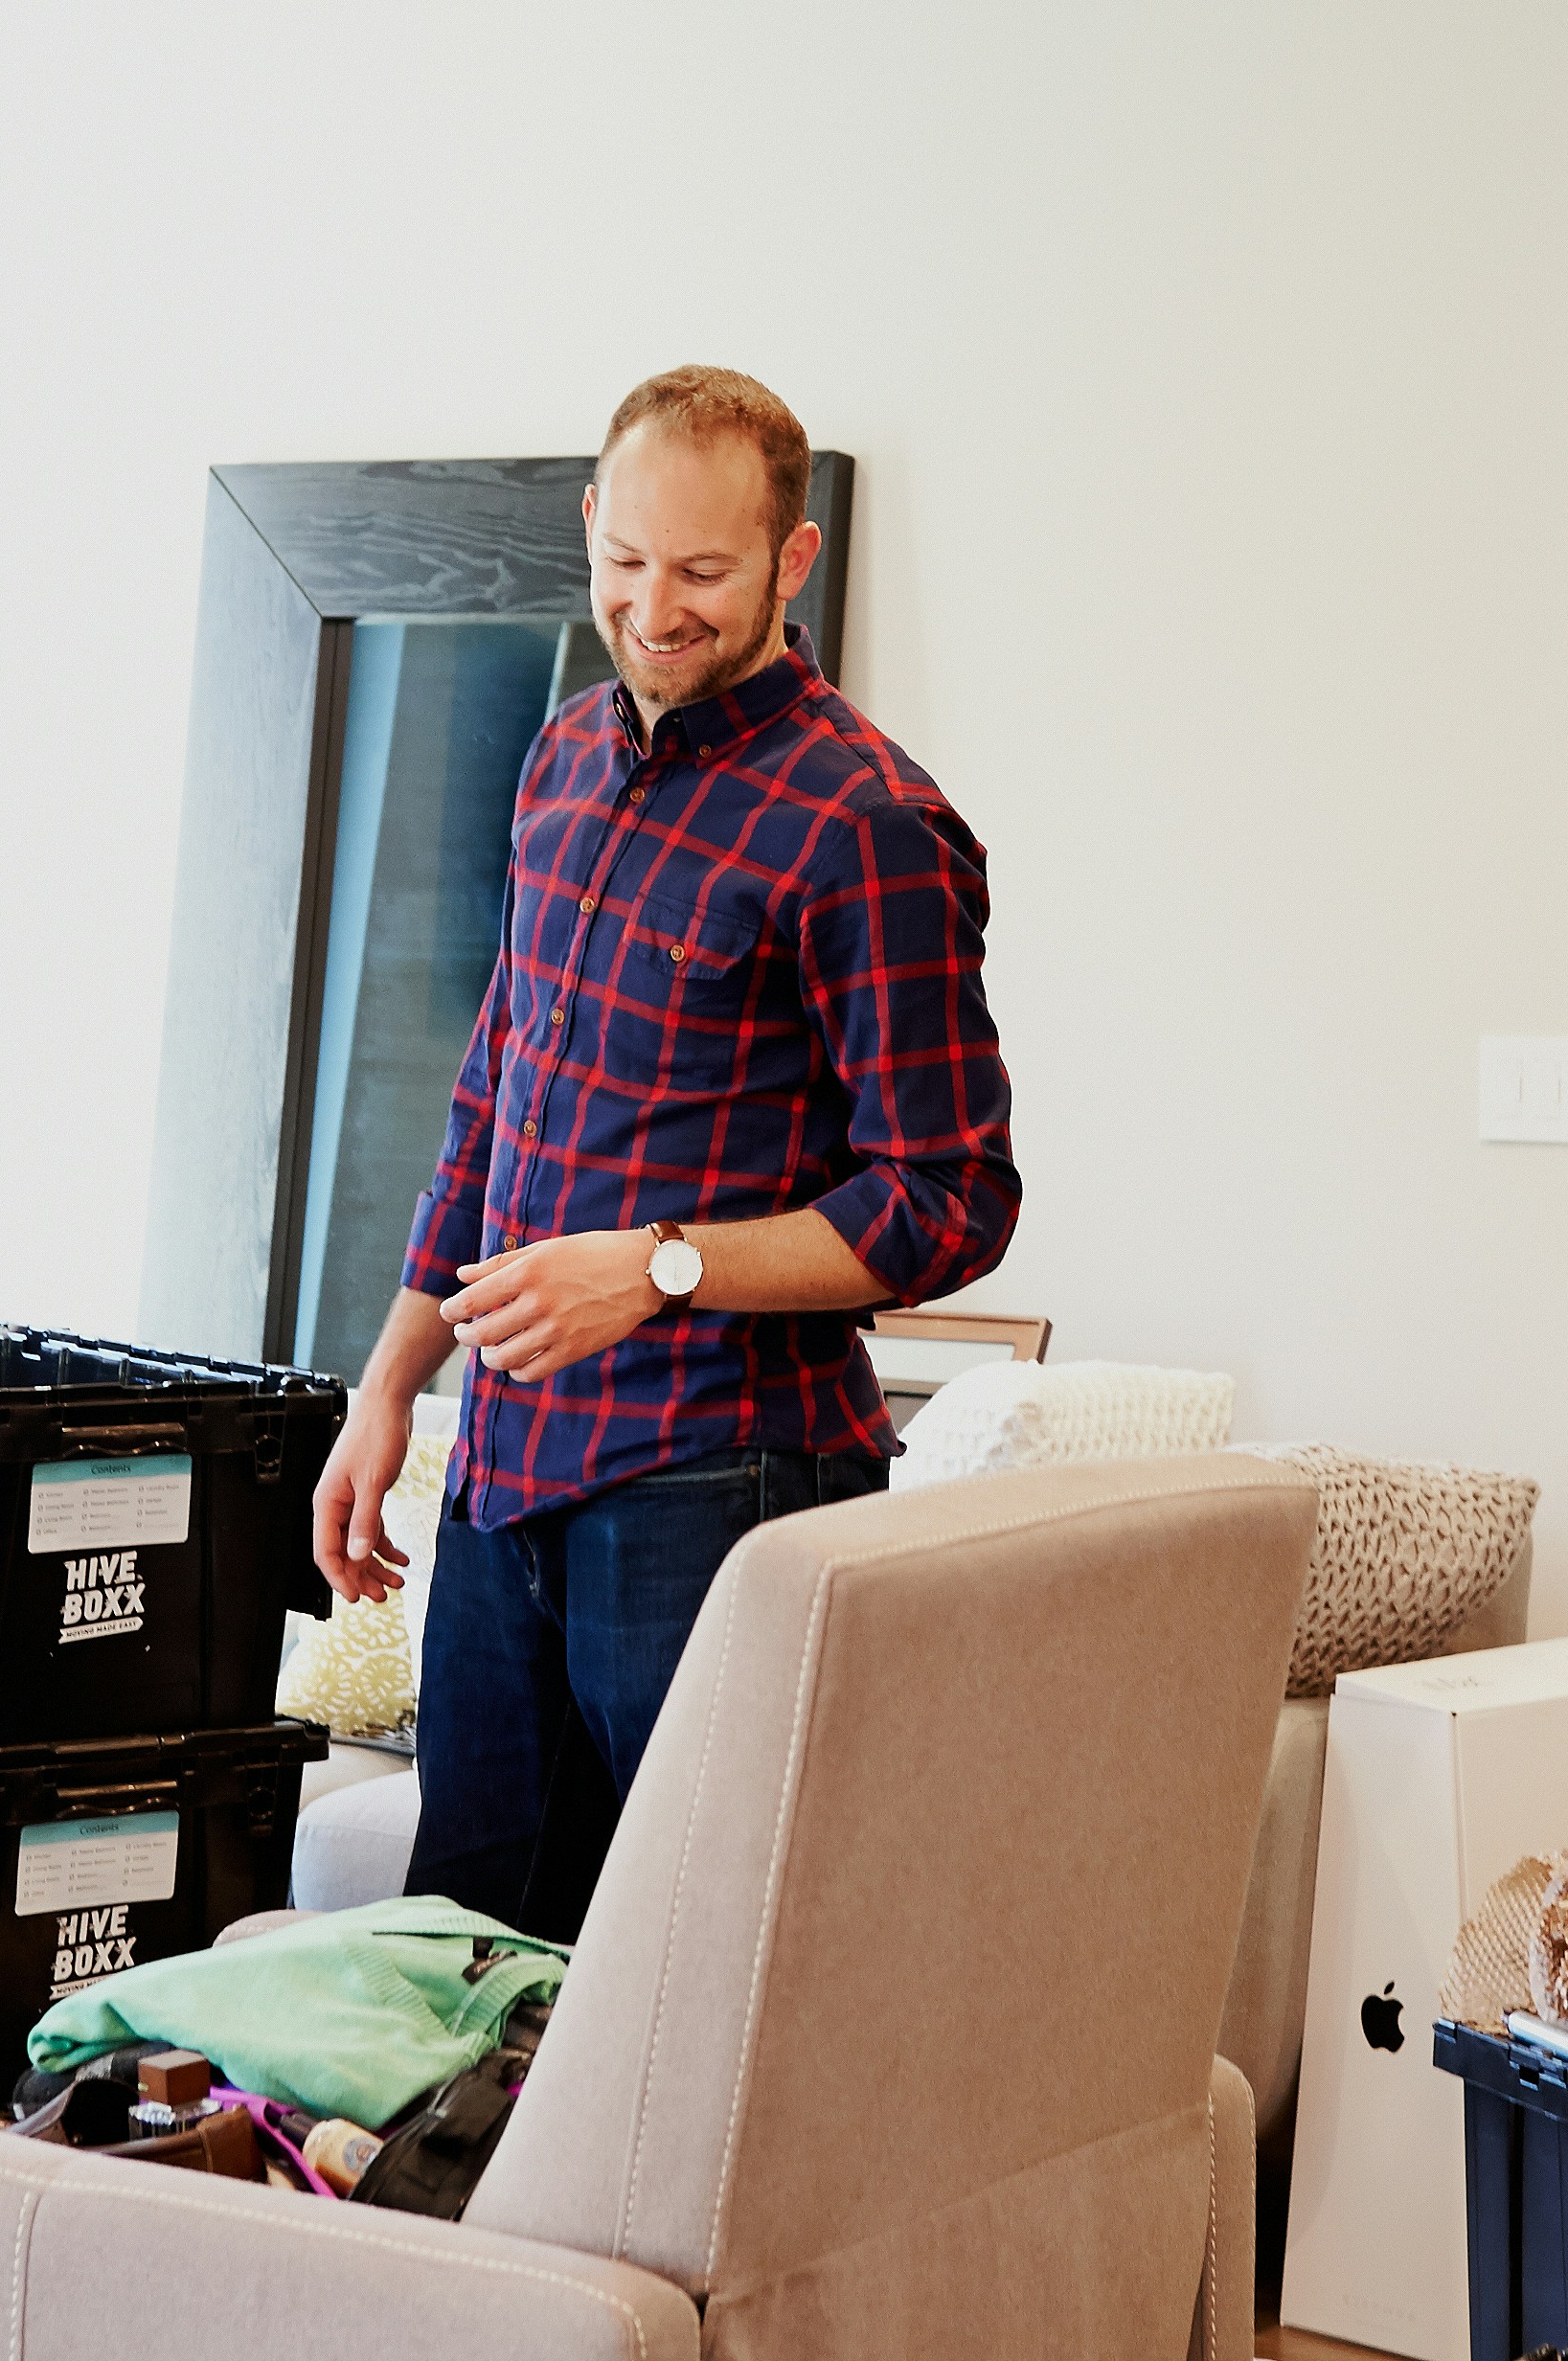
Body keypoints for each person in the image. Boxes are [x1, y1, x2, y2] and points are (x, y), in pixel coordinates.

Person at [306, 364, 1021, 1939]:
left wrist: (660, 1270)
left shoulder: (867, 824)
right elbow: (493, 1095)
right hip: (503, 1475)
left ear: (792, 556)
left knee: (697, 1965)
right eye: (624, 561)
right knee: (467, 1952)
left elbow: (951, 1197)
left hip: (717, 1485)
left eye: (701, 571)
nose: (656, 605)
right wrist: (387, 1382)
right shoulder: (561, 760)